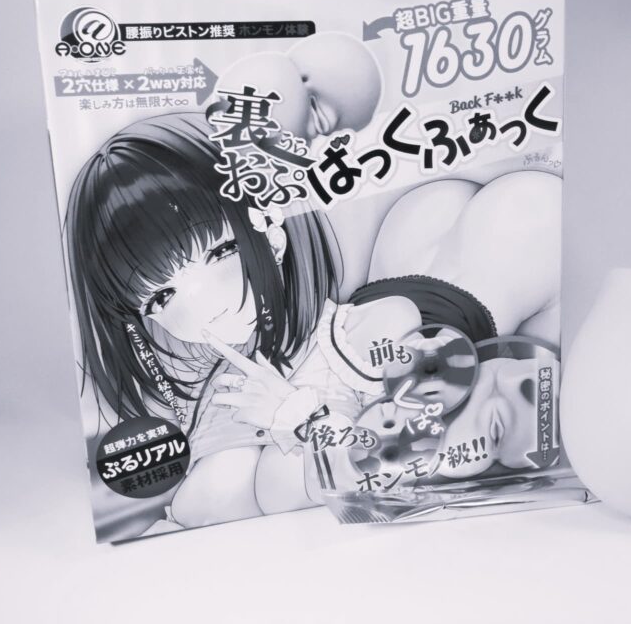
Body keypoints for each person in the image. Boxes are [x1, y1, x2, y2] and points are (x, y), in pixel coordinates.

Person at [67, 112, 561, 532]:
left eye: (221, 252)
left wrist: (301, 418)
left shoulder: (380, 335)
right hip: (416, 252)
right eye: (160, 298)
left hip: (495, 248)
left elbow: (380, 464)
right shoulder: (236, 376)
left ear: (271, 234)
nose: (204, 308)